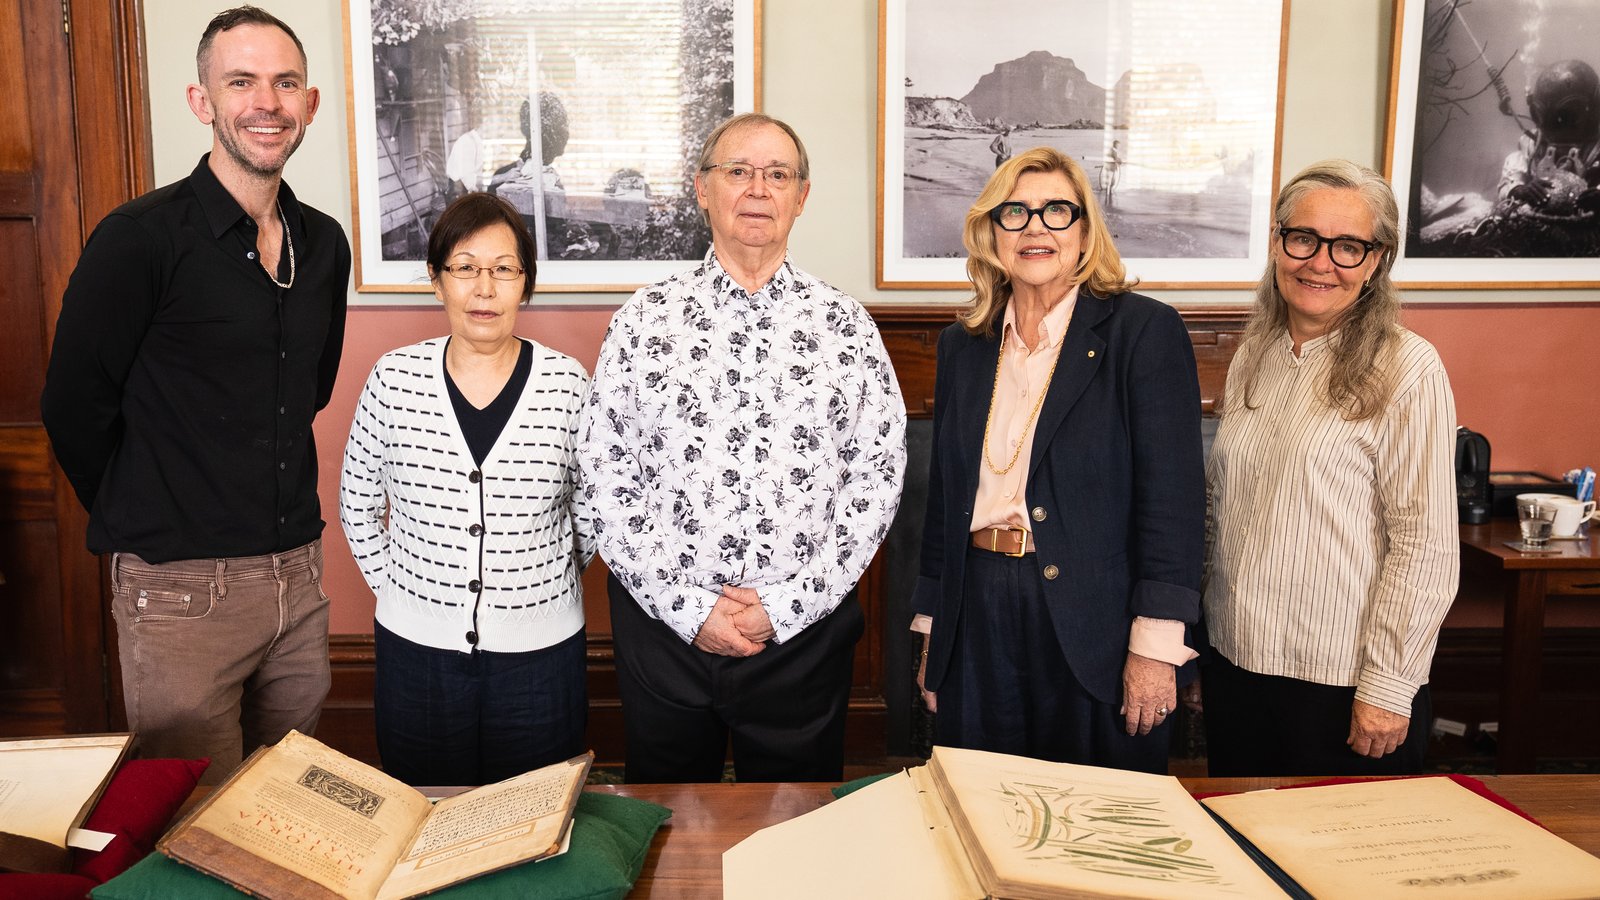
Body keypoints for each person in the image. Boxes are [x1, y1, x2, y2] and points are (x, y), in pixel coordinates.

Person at [40, 6, 348, 778]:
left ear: (309, 103)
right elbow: (73, 407)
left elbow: (306, 391)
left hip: (297, 581)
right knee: (191, 827)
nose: (265, 103)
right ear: (201, 101)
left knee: (286, 815)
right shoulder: (138, 239)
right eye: (240, 81)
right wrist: (152, 514)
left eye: (285, 83)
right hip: (180, 591)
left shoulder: (323, 245)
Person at [579, 113, 907, 783]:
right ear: (703, 189)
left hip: (803, 637)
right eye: (739, 171)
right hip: (665, 630)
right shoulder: (644, 319)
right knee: (669, 833)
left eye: (778, 174)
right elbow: (605, 475)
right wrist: (689, 610)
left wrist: (784, 608)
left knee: (796, 836)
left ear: (801, 196)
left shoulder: (845, 325)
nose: (759, 189)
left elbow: (875, 481)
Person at [911, 146, 1204, 774]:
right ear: (991, 232)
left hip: (1092, 618)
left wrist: (1156, 646)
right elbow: (943, 502)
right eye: (1015, 212)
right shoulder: (963, 346)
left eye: (1057, 212)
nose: (1036, 227)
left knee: (1098, 823)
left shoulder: (1142, 333)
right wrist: (934, 631)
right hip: (977, 610)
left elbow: (1173, 505)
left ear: (1084, 232)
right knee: (983, 806)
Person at [1202, 159, 1459, 777]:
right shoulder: (1252, 357)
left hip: (1344, 688)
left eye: (1348, 247)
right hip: (1236, 668)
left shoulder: (1409, 369)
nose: (1320, 263)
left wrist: (1388, 688)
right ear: (1278, 243)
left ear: (1376, 262)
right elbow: (1221, 513)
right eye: (1304, 239)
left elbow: (1425, 546)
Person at [340, 193, 595, 786]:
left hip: (542, 656)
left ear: (525, 284)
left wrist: (540, 581)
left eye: (504, 269)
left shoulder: (567, 383)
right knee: (425, 819)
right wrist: (409, 594)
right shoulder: (393, 378)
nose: (485, 288)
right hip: (416, 658)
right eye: (465, 267)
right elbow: (357, 505)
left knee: (532, 823)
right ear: (437, 281)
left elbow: (592, 511)